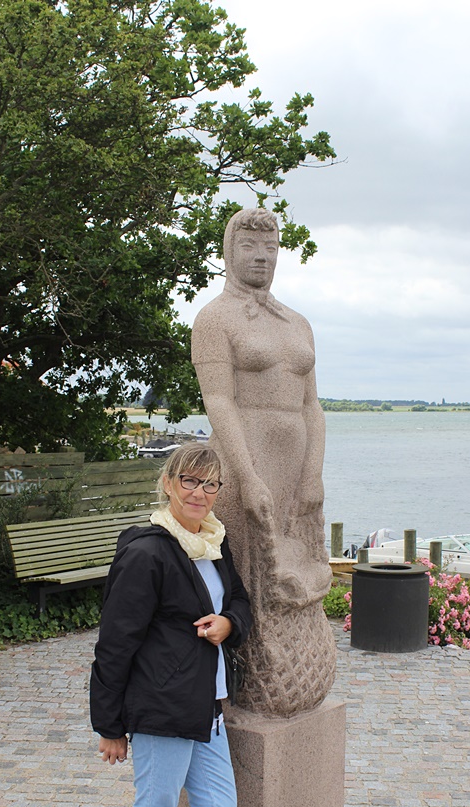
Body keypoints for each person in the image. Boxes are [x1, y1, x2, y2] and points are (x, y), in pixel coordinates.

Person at [90, 443, 251, 807]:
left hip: (205, 702)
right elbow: (115, 643)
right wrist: (109, 725)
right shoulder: (148, 552)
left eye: (210, 484)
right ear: (168, 483)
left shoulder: (214, 543)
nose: (199, 493)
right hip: (162, 704)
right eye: (189, 481)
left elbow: (239, 601)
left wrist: (229, 624)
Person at [191, 208, 336, 717]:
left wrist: (313, 472)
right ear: (229, 251)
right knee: (254, 573)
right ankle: (254, 680)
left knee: (301, 568)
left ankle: (305, 665)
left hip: (296, 466)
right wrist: (246, 475)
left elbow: (312, 405)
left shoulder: (298, 323)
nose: (261, 257)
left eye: (270, 248)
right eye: (249, 246)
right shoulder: (214, 319)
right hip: (243, 460)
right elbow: (218, 401)